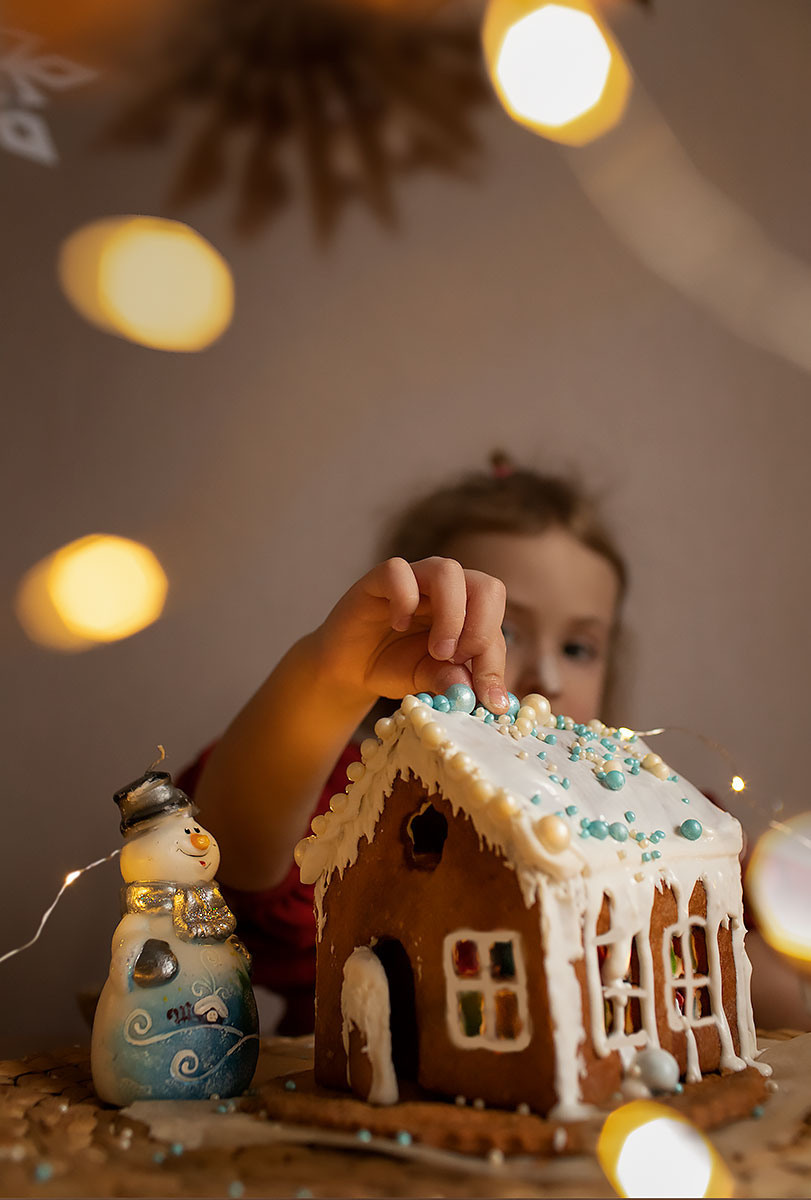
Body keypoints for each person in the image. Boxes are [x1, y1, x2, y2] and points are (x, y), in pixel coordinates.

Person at [182, 456, 628, 1033]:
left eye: (578, 648)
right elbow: (232, 857)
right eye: (505, 631)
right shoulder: (367, 796)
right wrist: (331, 678)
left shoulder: (639, 825)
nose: (551, 676)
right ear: (413, 629)